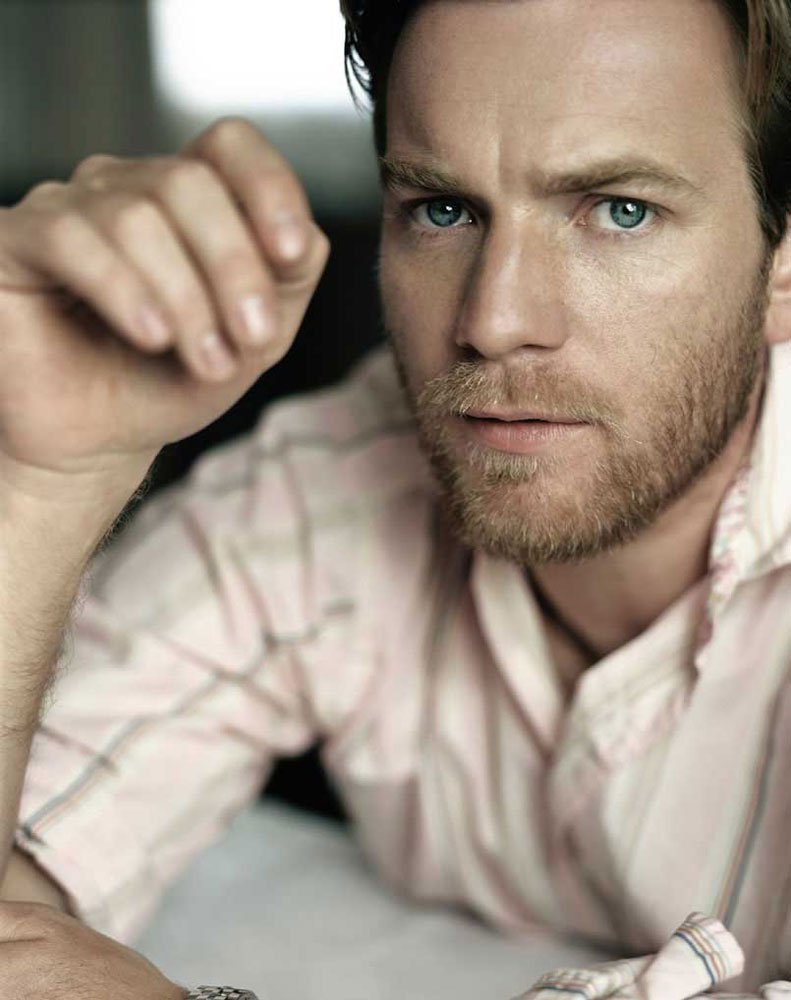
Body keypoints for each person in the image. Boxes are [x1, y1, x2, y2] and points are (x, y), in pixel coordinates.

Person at [0, 0, 789, 997]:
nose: (493, 320)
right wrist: (45, 480)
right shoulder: (331, 481)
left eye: (618, 210)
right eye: (442, 210)